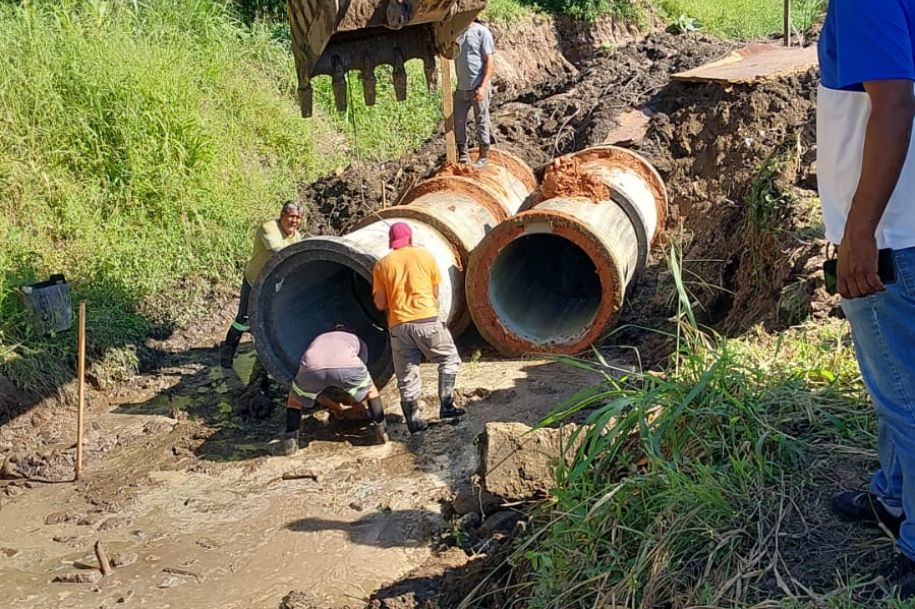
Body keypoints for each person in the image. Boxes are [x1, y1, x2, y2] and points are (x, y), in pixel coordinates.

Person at [818, 0, 915, 598]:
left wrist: (859, 234)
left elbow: (895, 104)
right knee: (893, 384)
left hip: (889, 238)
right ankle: (893, 494)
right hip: (901, 227)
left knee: (905, 395)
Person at [372, 222, 464, 433]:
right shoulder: (426, 256)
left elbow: (379, 303)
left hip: (399, 326)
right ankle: (447, 405)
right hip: (426, 321)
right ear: (410, 239)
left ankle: (414, 421)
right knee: (449, 359)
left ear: (392, 242)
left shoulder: (382, 265)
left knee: (406, 374)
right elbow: (434, 292)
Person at [281, 324, 388, 456]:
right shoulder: (356, 340)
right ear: (350, 332)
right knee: (371, 392)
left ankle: (290, 442)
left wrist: (336, 407)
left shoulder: (320, 338)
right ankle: (381, 431)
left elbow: (317, 393)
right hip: (346, 365)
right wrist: (355, 402)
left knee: (294, 401)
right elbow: (361, 371)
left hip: (312, 366)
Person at [220, 202, 304, 369]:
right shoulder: (269, 228)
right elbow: (278, 251)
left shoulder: (296, 236)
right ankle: (226, 356)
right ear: (282, 215)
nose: (294, 221)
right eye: (291, 216)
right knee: (242, 321)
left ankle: (266, 360)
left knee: (271, 320)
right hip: (254, 281)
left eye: (297, 218)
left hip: (273, 286)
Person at [454, 18, 495, 167]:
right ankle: (463, 154)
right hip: (461, 88)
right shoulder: (456, 32)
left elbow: (490, 62)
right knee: (458, 121)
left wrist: (483, 87)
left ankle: (483, 155)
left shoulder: (481, 32)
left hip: (478, 86)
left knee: (481, 120)